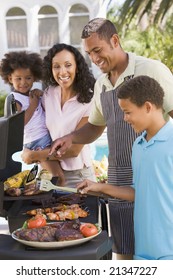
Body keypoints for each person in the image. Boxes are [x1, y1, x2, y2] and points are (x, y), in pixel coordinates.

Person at [49, 18, 173, 259]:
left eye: (97, 50)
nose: (94, 59)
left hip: (155, 176)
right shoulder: (102, 85)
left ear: (115, 41)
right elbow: (96, 127)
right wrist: (71, 138)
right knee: (124, 255)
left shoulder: (152, 70)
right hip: (119, 180)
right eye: (89, 53)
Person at [77, 75, 173, 260]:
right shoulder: (138, 144)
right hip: (143, 251)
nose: (124, 118)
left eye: (128, 112)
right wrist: (100, 187)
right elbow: (140, 192)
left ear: (147, 107)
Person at [21, 44, 96, 187]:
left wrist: (35, 155)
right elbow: (37, 124)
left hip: (78, 177)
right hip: (49, 173)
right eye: (56, 66)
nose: (62, 72)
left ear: (77, 68)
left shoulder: (89, 102)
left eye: (68, 65)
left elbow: (74, 150)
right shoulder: (49, 94)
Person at [0, 51, 65, 185]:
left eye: (28, 78)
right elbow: (18, 124)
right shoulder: (14, 99)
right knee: (58, 176)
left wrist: (40, 96)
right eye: (18, 78)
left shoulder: (31, 95)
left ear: (34, 77)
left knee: (52, 174)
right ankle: (59, 202)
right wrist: (32, 105)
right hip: (37, 142)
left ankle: (51, 198)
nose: (23, 82)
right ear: (10, 78)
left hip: (44, 138)